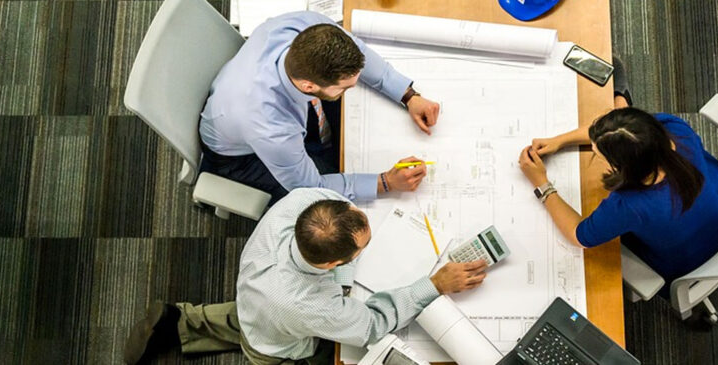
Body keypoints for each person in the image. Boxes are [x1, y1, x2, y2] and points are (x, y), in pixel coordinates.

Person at [123, 188, 488, 364]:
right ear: (332, 264)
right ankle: (182, 327)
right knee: (270, 342)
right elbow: (372, 325)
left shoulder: (302, 203)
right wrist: (434, 284)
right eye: (362, 248)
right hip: (275, 343)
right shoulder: (312, 306)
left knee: (249, 316)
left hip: (256, 296)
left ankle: (180, 321)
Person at [516, 58, 718, 295]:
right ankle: (621, 100)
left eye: (599, 154)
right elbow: (623, 131)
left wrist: (541, 184)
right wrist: (560, 141)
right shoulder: (674, 129)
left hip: (693, 261)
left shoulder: (629, 205)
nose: (594, 152)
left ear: (624, 168)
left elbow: (580, 235)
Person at [199, 11, 442, 203]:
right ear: (308, 86)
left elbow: (360, 52)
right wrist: (386, 182)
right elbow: (311, 187)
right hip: (240, 157)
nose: (353, 88)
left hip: (248, 102)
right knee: (330, 200)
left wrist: (408, 95)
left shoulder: (306, 27)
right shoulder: (270, 127)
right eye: (345, 87)